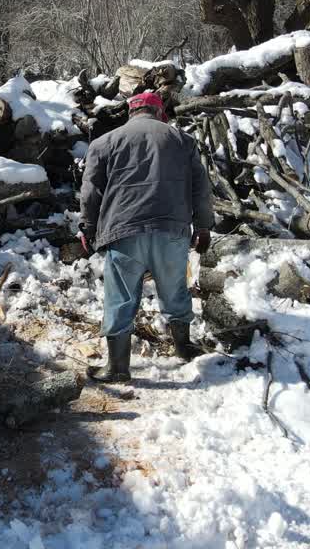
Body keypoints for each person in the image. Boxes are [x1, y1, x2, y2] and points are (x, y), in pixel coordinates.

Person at [79, 91, 214, 383]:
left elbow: (91, 191)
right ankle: (184, 348)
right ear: (159, 112)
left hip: (123, 230)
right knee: (175, 289)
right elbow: (201, 187)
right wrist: (203, 226)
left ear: (131, 112)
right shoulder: (183, 141)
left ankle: (117, 367)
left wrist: (87, 228)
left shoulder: (104, 142)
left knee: (120, 297)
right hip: (172, 229)